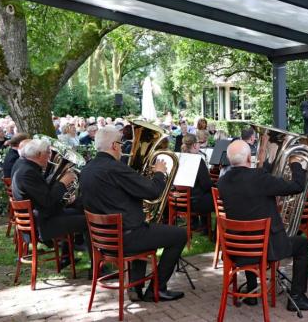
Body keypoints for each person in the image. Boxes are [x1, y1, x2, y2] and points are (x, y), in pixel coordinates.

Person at [79, 126, 186, 302]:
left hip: (103, 241)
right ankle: (156, 289)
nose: (122, 148)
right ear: (114, 145)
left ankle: (136, 287)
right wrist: (159, 173)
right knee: (179, 235)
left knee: (145, 229)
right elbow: (153, 192)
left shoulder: (87, 169)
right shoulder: (116, 168)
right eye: (121, 144)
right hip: (126, 238)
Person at [218, 140, 308, 311]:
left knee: (247, 230)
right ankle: (297, 297)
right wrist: (296, 164)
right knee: (303, 245)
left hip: (236, 248)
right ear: (249, 159)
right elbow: (297, 186)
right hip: (266, 248)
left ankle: (252, 290)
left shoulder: (222, 181)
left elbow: (248, 202)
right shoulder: (259, 178)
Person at [11, 139, 90, 269]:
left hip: (42, 217)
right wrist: (63, 183)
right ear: (39, 155)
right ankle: (97, 267)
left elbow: (43, 194)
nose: (50, 156)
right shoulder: (27, 172)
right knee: (89, 221)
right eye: (48, 153)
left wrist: (64, 199)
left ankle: (66, 257)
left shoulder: (25, 166)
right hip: (42, 224)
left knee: (80, 210)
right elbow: (47, 201)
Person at [181, 134, 214, 233]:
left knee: (204, 194)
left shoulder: (179, 158)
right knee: (213, 196)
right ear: (195, 145)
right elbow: (207, 185)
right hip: (195, 202)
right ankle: (207, 229)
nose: (199, 146)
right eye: (198, 143)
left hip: (179, 201)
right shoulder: (198, 160)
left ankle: (197, 224)